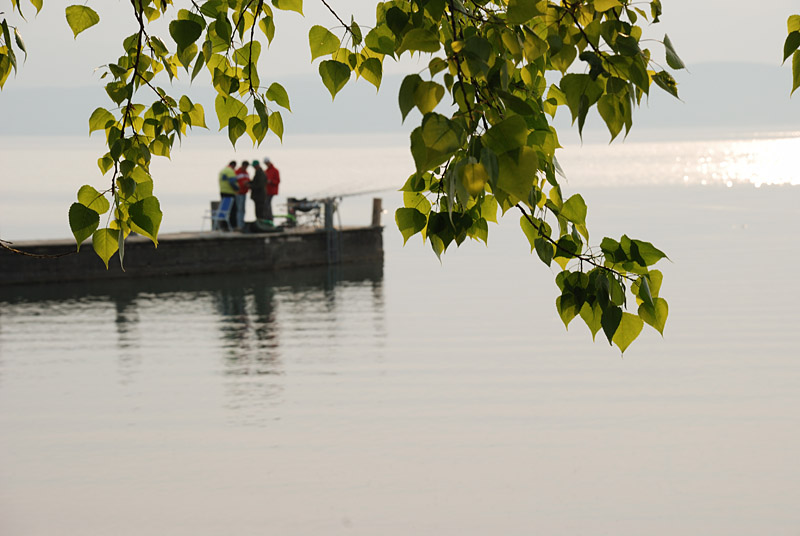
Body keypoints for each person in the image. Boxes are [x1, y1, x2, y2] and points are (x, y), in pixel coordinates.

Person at [218, 160, 238, 230]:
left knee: (224, 209)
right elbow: (232, 182)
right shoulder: (230, 171)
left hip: (222, 191)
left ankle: (224, 226)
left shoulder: (222, 171)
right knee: (233, 210)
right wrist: (237, 188)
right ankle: (233, 226)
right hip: (230, 193)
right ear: (233, 165)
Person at [234, 161, 251, 230]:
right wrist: (242, 184)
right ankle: (239, 225)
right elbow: (235, 183)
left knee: (243, 209)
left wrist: (248, 184)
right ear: (243, 165)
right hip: (239, 193)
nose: (246, 168)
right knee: (239, 209)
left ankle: (242, 224)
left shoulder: (246, 173)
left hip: (244, 193)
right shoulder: (237, 172)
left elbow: (248, 180)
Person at [264, 157, 280, 223]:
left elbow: (278, 181)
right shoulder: (266, 171)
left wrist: (271, 181)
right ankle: (269, 219)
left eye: (267, 163)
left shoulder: (275, 170)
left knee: (267, 204)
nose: (267, 164)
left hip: (272, 190)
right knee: (267, 205)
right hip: (267, 191)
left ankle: (269, 219)